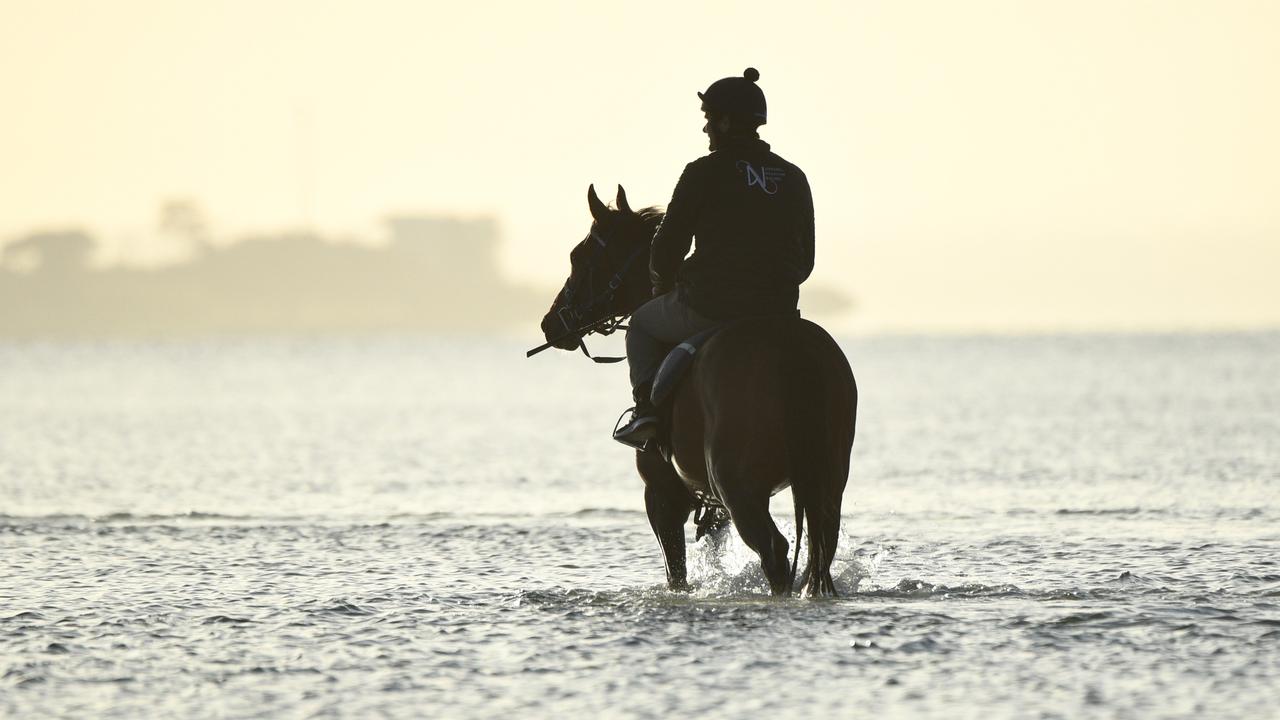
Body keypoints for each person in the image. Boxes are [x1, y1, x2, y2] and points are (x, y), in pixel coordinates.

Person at [613, 67, 816, 448]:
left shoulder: (703, 172)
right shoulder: (794, 177)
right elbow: (805, 263)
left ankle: (647, 414)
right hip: (779, 313)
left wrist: (663, 286)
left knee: (641, 323)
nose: (705, 129)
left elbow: (667, 248)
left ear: (724, 122)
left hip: (712, 306)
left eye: (708, 120)